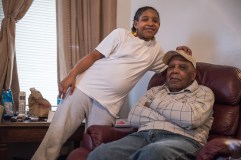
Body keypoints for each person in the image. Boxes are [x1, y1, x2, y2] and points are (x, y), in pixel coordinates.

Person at [32, 6, 173, 160]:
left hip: (109, 105)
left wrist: (182, 52)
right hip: (83, 88)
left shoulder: (156, 50)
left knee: (96, 145)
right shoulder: (121, 34)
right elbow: (94, 56)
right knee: (57, 133)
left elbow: (171, 65)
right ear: (135, 23)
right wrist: (71, 75)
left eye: (155, 20)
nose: (151, 23)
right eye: (145, 19)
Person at [87, 48, 215, 160]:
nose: (174, 71)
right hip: (141, 137)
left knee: (153, 153)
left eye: (182, 67)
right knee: (99, 154)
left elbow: (192, 119)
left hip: (183, 140)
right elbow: (133, 117)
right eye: (171, 67)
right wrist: (177, 118)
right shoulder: (155, 90)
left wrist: (153, 104)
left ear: (193, 75)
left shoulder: (204, 92)